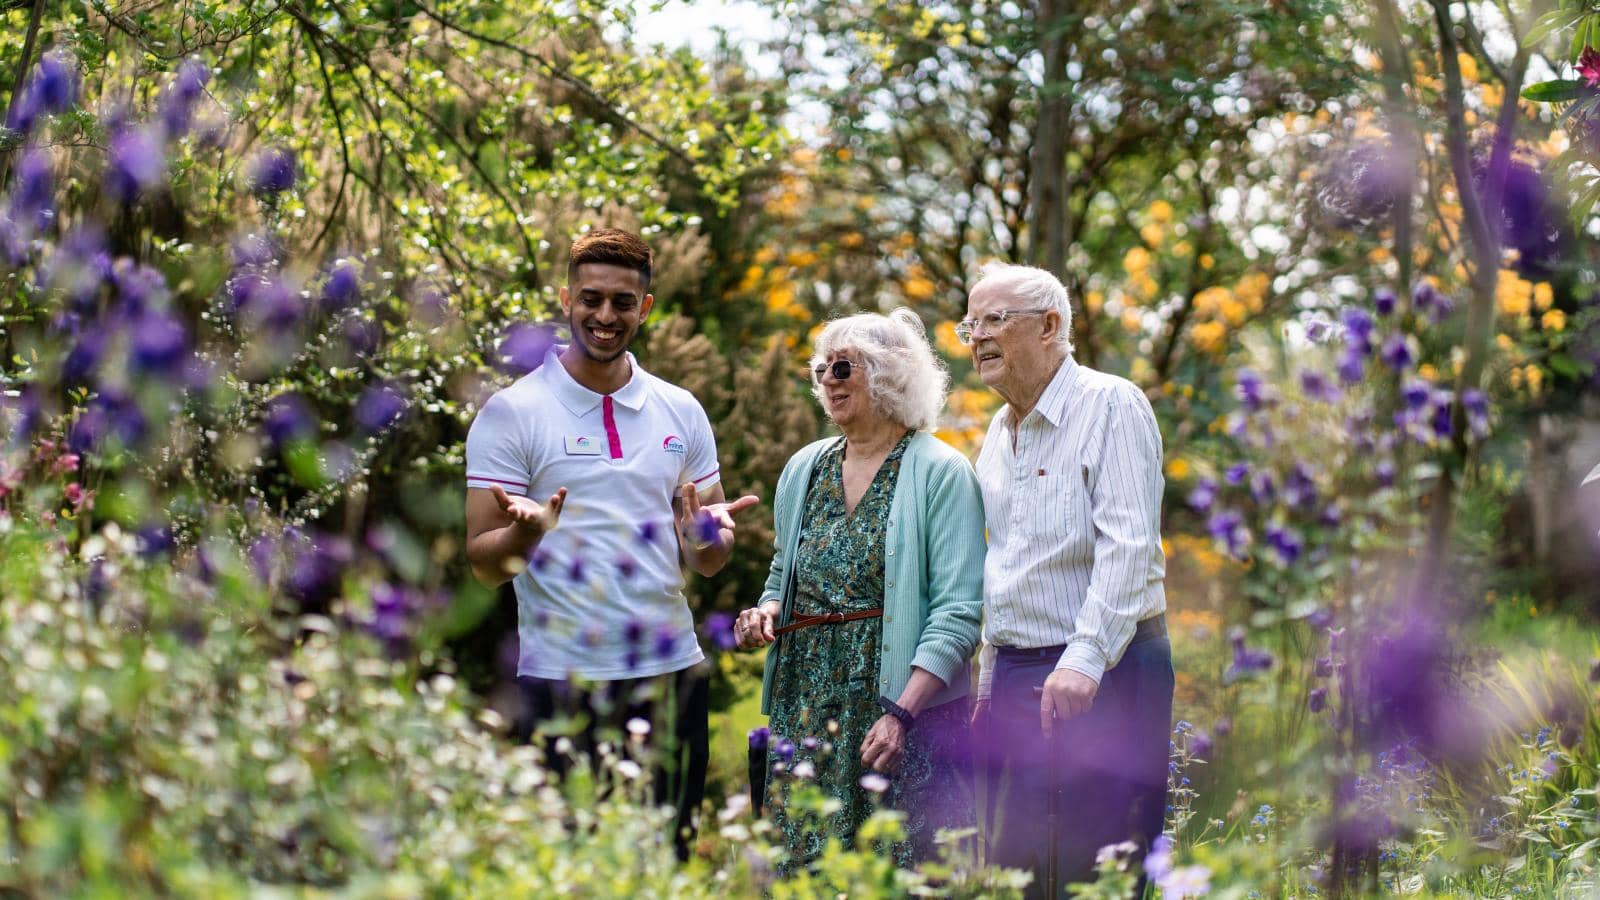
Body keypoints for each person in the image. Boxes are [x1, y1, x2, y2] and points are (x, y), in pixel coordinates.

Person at [463, 228, 758, 860]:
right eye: (590, 299)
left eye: (623, 302)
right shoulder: (512, 413)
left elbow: (708, 558)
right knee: (567, 867)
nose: (605, 316)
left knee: (666, 863)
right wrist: (525, 532)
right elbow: (484, 565)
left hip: (670, 675)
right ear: (565, 299)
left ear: (645, 308)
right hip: (561, 681)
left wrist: (708, 537)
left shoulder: (681, 410)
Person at [734, 308, 985, 869]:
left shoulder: (941, 472)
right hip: (808, 704)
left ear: (890, 374)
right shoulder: (803, 468)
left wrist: (901, 714)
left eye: (843, 367)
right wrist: (767, 609)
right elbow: (784, 572)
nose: (827, 380)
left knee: (899, 866)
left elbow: (960, 612)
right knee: (803, 862)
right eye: (821, 368)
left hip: (894, 711)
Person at [961, 263, 1172, 895]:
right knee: (1022, 870)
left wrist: (1084, 660)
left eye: (994, 320)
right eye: (970, 323)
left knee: (1102, 869)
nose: (976, 337)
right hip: (1021, 673)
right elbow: (1004, 572)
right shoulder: (997, 434)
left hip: (1108, 666)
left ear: (1050, 325)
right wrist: (988, 680)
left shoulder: (1110, 404)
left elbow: (1130, 550)